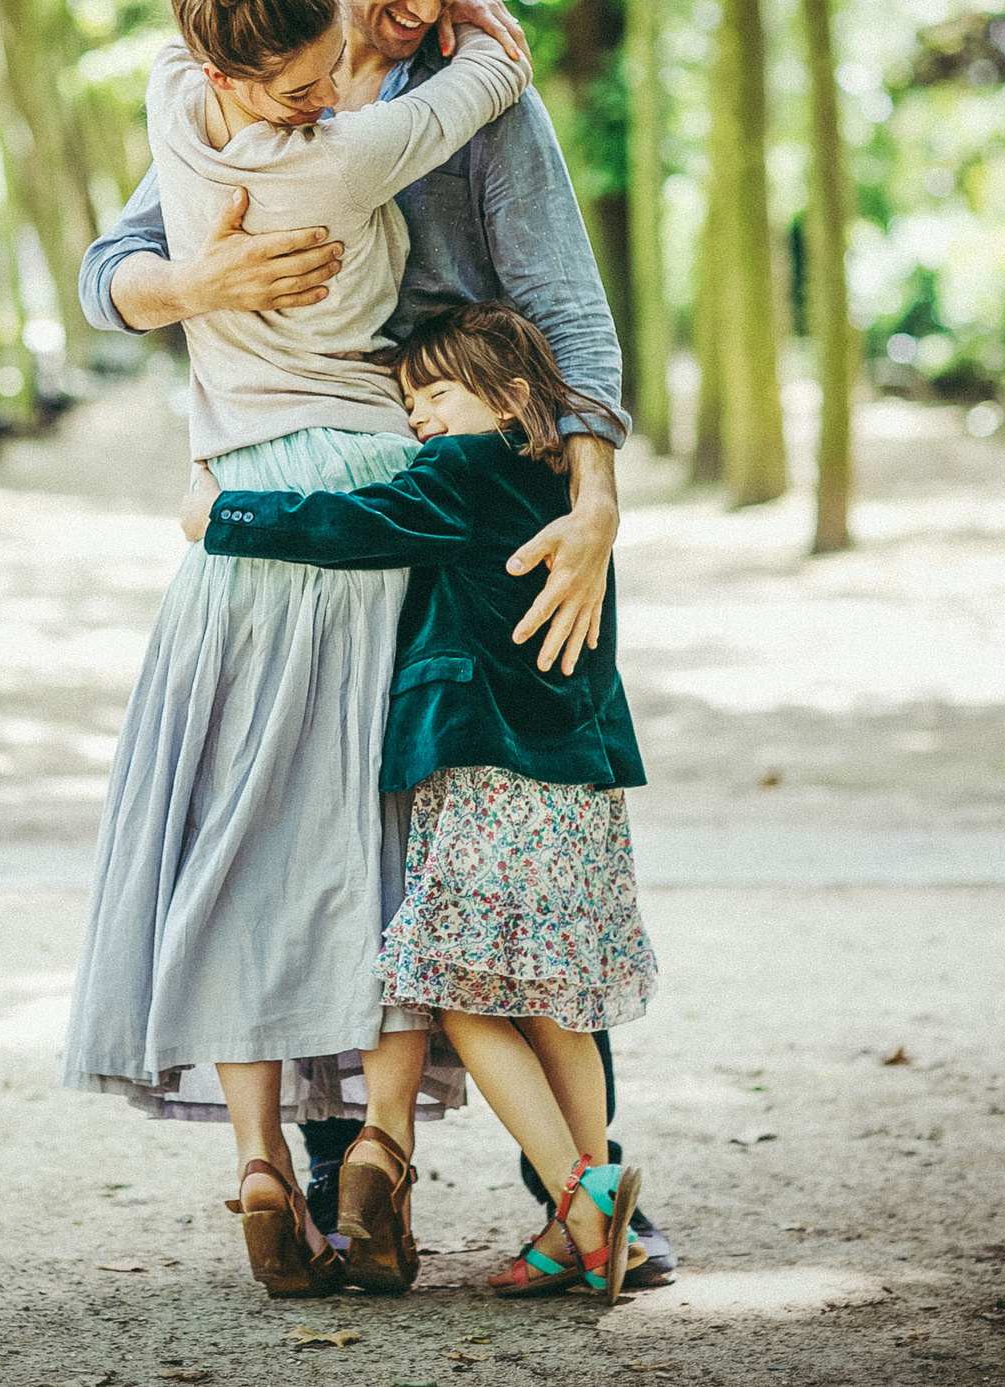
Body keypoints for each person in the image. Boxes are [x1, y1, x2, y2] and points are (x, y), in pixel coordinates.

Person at [78, 0, 672, 1279]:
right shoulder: (265, 88)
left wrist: (595, 495)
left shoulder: (440, 98)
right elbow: (112, 269)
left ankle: (585, 1192)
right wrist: (193, 279)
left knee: (495, 854)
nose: (431, 5)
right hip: (368, 492)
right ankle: (378, 1167)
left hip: (466, 510)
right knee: (388, 848)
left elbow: (566, 304)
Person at [56, 0, 531, 1300]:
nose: (321, 95)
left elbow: (124, 250)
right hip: (374, 504)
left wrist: (181, 283)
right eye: (297, 82)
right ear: (239, 60)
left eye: (328, 70)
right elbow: (487, 80)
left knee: (234, 834)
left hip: (235, 522)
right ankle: (380, 1141)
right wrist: (472, 19)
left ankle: (265, 1165)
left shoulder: (168, 94)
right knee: (384, 840)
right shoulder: (345, 154)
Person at [181, 301, 658, 1305]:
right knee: (555, 1001)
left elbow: (359, 525)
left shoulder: (464, 473)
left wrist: (228, 516)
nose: (418, 419)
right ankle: (585, 1207)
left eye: (434, 393)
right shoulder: (563, 488)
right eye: (408, 401)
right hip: (578, 785)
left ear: (513, 394)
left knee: (456, 993)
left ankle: (582, 1197)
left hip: (485, 778)